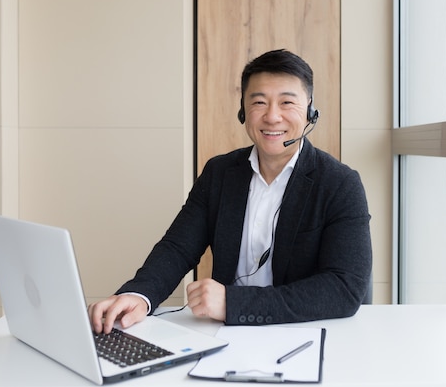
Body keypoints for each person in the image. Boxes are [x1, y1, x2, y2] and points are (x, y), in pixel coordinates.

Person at [89, 49, 372, 334]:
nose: (272, 117)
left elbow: (344, 288)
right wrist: (138, 295)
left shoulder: (340, 184)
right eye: (259, 102)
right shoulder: (220, 173)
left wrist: (235, 303)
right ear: (243, 110)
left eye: (287, 102)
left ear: (310, 109)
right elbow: (177, 248)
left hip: (302, 334)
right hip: (225, 333)